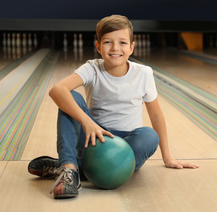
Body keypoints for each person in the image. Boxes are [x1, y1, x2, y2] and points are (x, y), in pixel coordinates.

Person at [28, 14, 199, 199]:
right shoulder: (92, 68)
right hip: (93, 139)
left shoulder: (143, 73)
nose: (115, 48)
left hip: (126, 145)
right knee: (69, 97)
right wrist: (86, 121)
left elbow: (156, 115)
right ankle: (69, 169)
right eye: (108, 42)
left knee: (149, 136)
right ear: (98, 47)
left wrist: (168, 158)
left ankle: (73, 166)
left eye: (123, 43)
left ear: (132, 47)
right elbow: (57, 90)